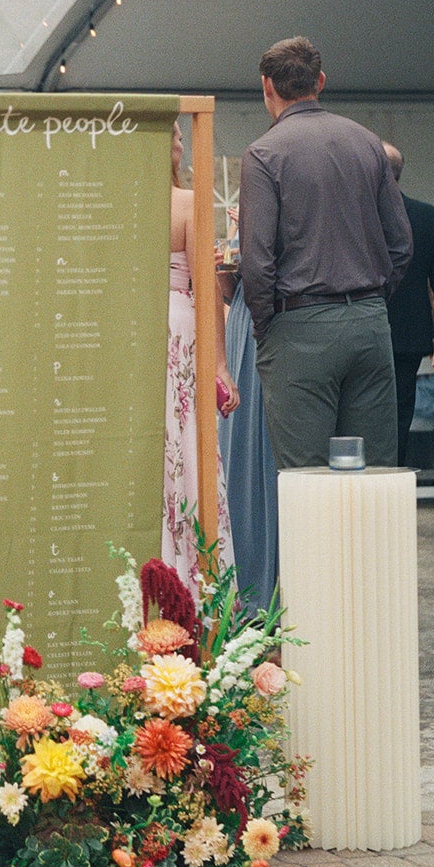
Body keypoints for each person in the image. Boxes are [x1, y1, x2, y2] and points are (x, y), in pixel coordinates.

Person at [239, 37, 412, 471]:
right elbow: (400, 243)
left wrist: (266, 326)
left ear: (266, 86)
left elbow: (256, 260)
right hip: (368, 322)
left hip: (298, 325)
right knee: (374, 473)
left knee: (306, 478)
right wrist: (371, 299)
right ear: (320, 80)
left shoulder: (263, 154)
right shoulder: (368, 143)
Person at [163, 122, 235, 581]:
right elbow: (206, 285)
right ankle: (196, 578)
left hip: (136, 332)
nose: (180, 141)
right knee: (188, 444)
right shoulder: (187, 202)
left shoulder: (123, 205)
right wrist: (221, 365)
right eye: (174, 134)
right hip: (178, 326)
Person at [217, 208, 277, 613]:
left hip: (271, 322)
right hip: (243, 319)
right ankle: (244, 581)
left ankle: (268, 584)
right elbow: (228, 290)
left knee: (266, 450)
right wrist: (224, 265)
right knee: (239, 450)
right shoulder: (245, 218)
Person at [381, 144, 434, 468]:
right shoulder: (427, 216)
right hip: (408, 333)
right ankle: (393, 483)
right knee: (399, 418)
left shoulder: (352, 214)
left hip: (355, 329)